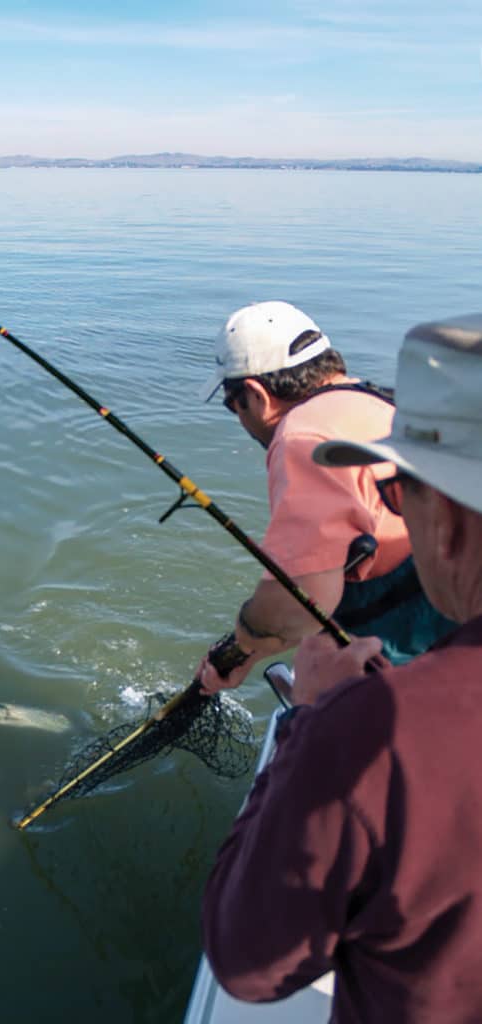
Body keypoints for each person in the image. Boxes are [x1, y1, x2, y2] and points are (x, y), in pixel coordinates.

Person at [202, 313, 482, 1022]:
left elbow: (249, 965)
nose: (394, 517)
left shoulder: (296, 437)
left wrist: (307, 716)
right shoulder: (373, 399)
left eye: (400, 493)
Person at [196, 300, 453, 693]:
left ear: (255, 393)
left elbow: (298, 605)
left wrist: (242, 642)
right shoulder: (382, 401)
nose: (240, 419)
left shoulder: (301, 439)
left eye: (234, 405)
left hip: (412, 660)